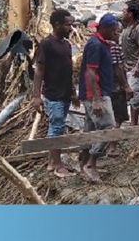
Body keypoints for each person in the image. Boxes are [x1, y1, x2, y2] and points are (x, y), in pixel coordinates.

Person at [31, 9, 78, 178]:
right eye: (67, 25)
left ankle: (52, 163)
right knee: (56, 128)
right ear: (56, 24)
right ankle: (58, 165)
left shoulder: (66, 45)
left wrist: (73, 92)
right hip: (52, 94)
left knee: (58, 126)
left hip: (65, 93)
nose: (70, 28)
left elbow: (68, 70)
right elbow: (39, 70)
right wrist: (36, 96)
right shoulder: (46, 44)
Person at [78, 13, 118, 182]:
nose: (115, 34)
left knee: (89, 129)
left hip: (97, 93)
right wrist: (96, 99)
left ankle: (83, 161)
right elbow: (91, 72)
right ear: (105, 28)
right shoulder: (95, 45)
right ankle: (90, 164)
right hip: (95, 94)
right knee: (108, 128)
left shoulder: (101, 43)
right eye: (114, 31)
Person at [120, 3, 139, 126]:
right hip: (127, 67)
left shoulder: (138, 29)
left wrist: (138, 66)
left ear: (130, 14)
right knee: (138, 98)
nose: (123, 13)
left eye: (124, 11)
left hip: (135, 69)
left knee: (137, 97)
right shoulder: (127, 28)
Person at [109, 24, 131, 127]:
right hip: (116, 85)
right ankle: (112, 141)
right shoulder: (113, 47)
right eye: (118, 32)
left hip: (112, 83)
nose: (119, 35)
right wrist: (126, 86)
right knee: (118, 116)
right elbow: (118, 67)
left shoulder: (108, 45)